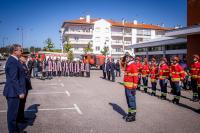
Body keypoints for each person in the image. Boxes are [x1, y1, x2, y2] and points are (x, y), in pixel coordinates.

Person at [3, 44, 26, 133]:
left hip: (14, 91)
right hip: (13, 92)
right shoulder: (12, 61)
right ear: (14, 51)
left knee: (15, 114)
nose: (21, 52)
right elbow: (13, 79)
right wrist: (20, 92)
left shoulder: (15, 60)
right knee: (12, 115)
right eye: (20, 50)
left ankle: (16, 130)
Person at [122, 52, 138, 122]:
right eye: (126, 57)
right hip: (126, 87)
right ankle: (129, 113)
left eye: (128, 57)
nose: (126, 58)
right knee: (128, 101)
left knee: (131, 101)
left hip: (131, 87)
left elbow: (135, 77)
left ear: (131, 58)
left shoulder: (133, 65)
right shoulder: (128, 65)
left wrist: (134, 87)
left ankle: (133, 116)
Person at [17, 52, 32, 124]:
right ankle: (19, 118)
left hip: (25, 86)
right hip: (22, 87)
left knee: (23, 103)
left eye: (27, 57)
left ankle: (22, 117)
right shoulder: (19, 65)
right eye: (25, 57)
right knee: (20, 104)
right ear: (21, 57)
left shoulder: (23, 64)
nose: (26, 58)